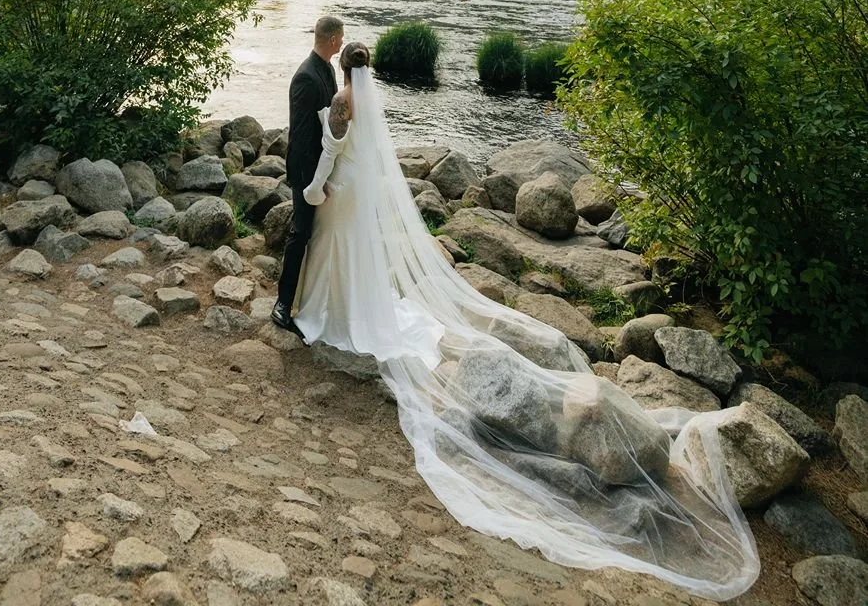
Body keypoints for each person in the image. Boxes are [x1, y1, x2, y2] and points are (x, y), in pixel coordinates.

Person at [290, 44, 761, 602]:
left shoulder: (343, 100)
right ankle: (355, 306)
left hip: (343, 191)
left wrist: (316, 187)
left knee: (338, 249)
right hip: (363, 191)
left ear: (346, 68)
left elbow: (334, 149)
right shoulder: (371, 98)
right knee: (357, 254)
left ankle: (334, 312)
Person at [271, 13, 344, 336]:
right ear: (331, 40)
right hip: (306, 168)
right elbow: (300, 135)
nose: (341, 43)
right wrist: (312, 180)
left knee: (317, 234)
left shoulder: (327, 69)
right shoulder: (306, 77)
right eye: (340, 38)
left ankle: (313, 298)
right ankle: (283, 304)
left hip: (325, 166)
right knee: (299, 234)